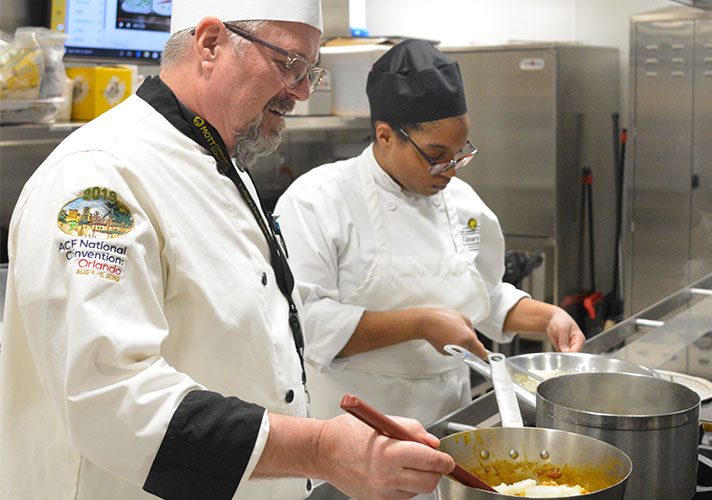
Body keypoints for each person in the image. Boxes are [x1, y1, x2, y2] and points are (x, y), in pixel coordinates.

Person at [0, 3, 457, 500]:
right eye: (289, 64)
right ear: (210, 43)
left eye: (310, 72)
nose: (302, 91)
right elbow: (112, 400)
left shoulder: (222, 160)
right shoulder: (98, 179)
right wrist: (319, 448)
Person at [275, 40, 586, 424]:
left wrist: (549, 317)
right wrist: (420, 324)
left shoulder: (464, 204)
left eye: (459, 153)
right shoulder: (317, 200)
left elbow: (485, 294)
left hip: (450, 416)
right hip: (354, 422)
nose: (451, 170)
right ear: (385, 135)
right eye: (436, 156)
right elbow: (307, 323)